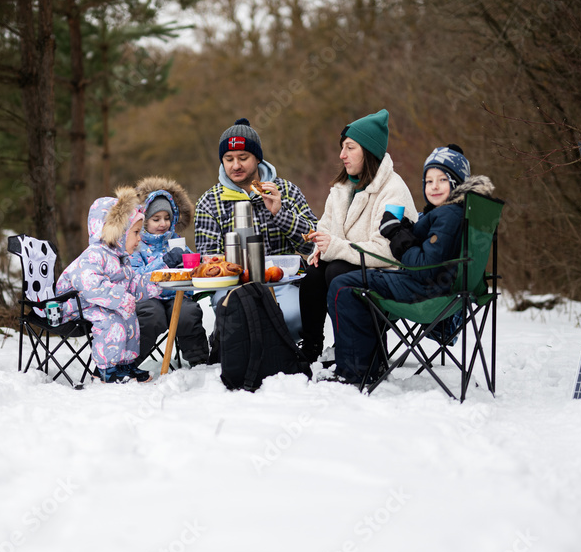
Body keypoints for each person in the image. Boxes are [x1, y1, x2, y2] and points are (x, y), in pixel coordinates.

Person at [325, 144, 495, 384]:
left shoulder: (447, 216)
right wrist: (404, 228)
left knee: (343, 286)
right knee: (354, 280)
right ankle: (370, 364)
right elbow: (433, 251)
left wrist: (396, 235)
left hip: (426, 291)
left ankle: (355, 371)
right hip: (443, 289)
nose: (433, 186)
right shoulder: (453, 212)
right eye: (428, 181)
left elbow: (424, 266)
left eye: (442, 180)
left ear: (456, 184)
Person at [299, 109, 417, 362]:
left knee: (337, 270)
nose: (342, 155)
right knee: (314, 275)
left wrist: (335, 247)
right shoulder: (342, 189)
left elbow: (388, 252)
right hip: (352, 267)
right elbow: (326, 228)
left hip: (389, 277)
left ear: (369, 151)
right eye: (342, 147)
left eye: (350, 147)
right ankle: (310, 349)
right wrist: (320, 247)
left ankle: (353, 350)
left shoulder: (393, 191)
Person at [54, 186, 160, 383]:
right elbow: (90, 286)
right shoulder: (94, 255)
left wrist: (157, 282)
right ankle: (107, 369)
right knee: (112, 321)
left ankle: (125, 364)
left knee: (129, 315)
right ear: (119, 232)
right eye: (136, 233)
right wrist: (120, 298)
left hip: (98, 302)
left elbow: (133, 286)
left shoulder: (120, 258)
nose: (139, 239)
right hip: (73, 304)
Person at [194, 118, 318, 258]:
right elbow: (208, 260)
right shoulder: (208, 202)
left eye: (243, 158)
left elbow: (313, 245)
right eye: (229, 159)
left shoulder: (287, 191)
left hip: (285, 277)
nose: (236, 166)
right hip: (235, 279)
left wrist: (280, 215)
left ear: (258, 158)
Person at [130, 176, 210, 367]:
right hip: (149, 296)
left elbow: (193, 264)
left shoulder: (175, 241)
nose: (163, 223)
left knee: (188, 313)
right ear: (144, 220)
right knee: (150, 317)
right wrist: (164, 262)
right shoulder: (136, 245)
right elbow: (135, 276)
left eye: (167, 218)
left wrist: (199, 263)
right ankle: (131, 362)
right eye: (156, 219)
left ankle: (198, 359)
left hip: (177, 294)